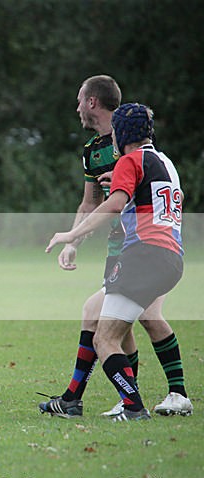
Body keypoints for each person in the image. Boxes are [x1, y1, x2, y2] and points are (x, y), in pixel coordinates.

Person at [40, 76, 191, 418]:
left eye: (80, 99)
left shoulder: (129, 159)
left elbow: (111, 205)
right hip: (166, 254)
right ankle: (79, 400)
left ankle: (135, 404)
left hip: (143, 254)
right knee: (101, 316)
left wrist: (68, 235)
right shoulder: (163, 161)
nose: (77, 106)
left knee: (110, 334)